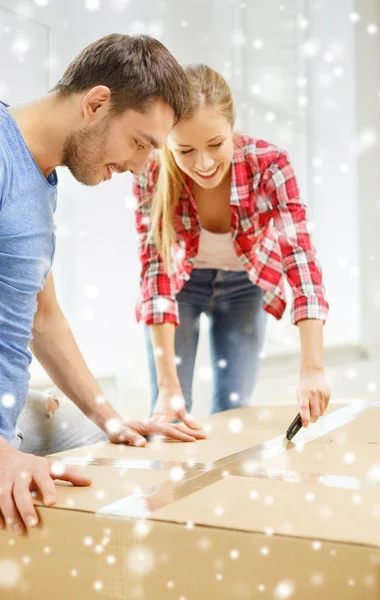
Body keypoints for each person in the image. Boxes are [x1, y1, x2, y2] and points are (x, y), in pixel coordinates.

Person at [0, 34, 205, 536]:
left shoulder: (37, 179)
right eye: (141, 143)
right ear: (96, 103)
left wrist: (110, 418)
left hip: (0, 430)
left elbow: (43, 315)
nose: (138, 167)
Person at [133, 64, 331, 429]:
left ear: (232, 128)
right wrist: (167, 386)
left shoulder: (270, 164)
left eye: (215, 144)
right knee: (171, 413)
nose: (204, 163)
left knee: (233, 409)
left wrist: (312, 368)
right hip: (182, 287)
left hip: (245, 288)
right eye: (186, 150)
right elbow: (155, 272)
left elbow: (300, 260)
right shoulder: (152, 171)